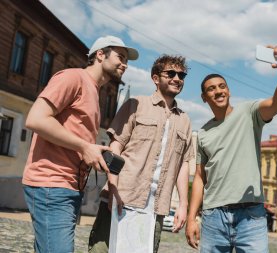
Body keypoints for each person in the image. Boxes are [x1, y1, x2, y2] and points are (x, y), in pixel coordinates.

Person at [22, 35, 139, 253]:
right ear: (100, 55)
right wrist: (85, 147)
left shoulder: (94, 90)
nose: (124, 64)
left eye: (126, 61)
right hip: (51, 183)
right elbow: (36, 119)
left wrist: (90, 154)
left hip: (68, 187)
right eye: (120, 57)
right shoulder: (72, 77)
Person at [186, 45, 277, 253]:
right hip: (213, 218)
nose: (218, 91)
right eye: (211, 88)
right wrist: (192, 219)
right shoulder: (203, 133)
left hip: (250, 217)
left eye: (222, 86)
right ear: (203, 97)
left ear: (228, 90)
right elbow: (200, 177)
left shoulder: (249, 112)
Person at [88, 55, 193, 253]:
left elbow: (183, 165)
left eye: (181, 75)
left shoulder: (185, 120)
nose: (177, 78)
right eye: (171, 73)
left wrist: (183, 206)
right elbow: (115, 149)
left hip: (156, 208)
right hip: (123, 196)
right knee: (101, 250)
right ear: (155, 78)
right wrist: (113, 188)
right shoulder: (135, 104)